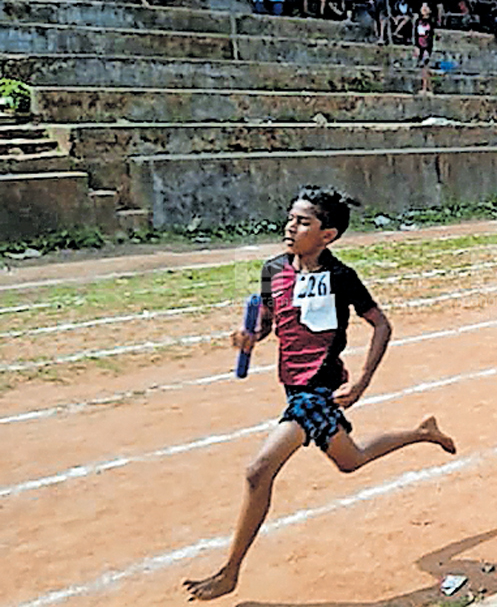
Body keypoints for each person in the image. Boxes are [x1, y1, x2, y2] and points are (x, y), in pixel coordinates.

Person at [182, 185, 457, 602]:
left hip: (318, 390)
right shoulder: (273, 270)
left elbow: (381, 325)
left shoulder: (341, 278)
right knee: (352, 460)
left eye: (303, 222)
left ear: (327, 235)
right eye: (290, 218)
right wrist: (249, 336)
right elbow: (267, 323)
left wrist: (362, 381)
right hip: (293, 387)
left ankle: (230, 571)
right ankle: (423, 432)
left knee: (258, 471)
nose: (290, 227)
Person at [414, 2, 436, 96]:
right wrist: (416, 46)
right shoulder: (417, 21)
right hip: (420, 44)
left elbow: (431, 35)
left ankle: (427, 87)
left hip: (427, 45)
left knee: (426, 66)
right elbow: (415, 34)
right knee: (422, 67)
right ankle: (424, 87)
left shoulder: (431, 21)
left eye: (426, 7)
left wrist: (428, 47)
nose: (424, 9)